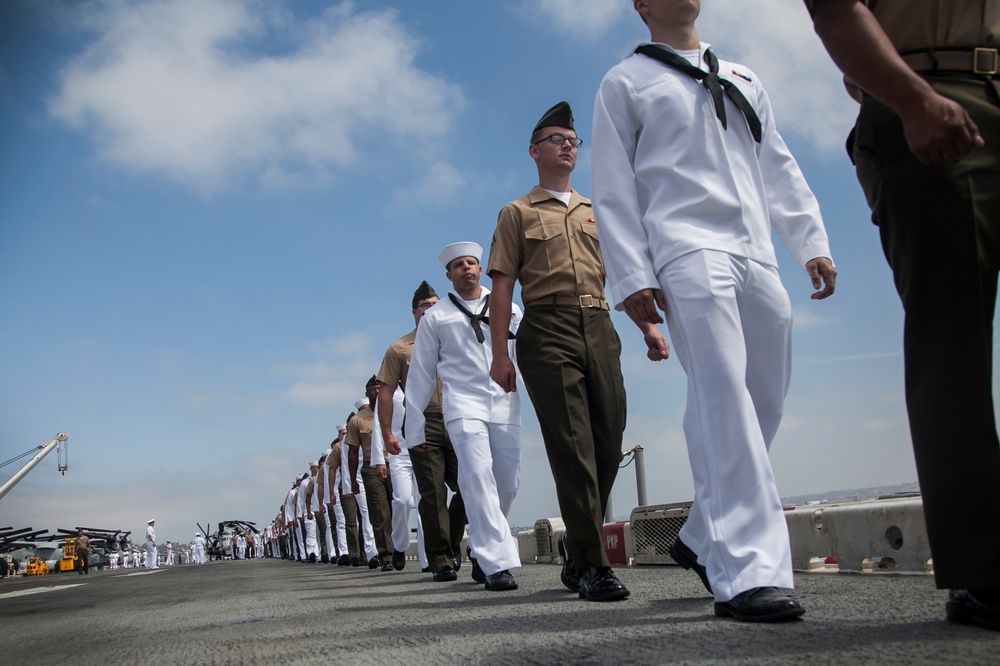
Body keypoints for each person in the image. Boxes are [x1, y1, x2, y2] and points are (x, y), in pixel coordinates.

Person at [590, 0, 837, 621]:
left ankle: (702, 535)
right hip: (685, 249)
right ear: (641, 6)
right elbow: (613, 185)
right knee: (722, 394)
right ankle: (748, 573)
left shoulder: (745, 77)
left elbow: (776, 163)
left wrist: (809, 241)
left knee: (763, 398)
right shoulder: (626, 81)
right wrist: (631, 276)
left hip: (756, 249)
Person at [806, 0, 999, 631]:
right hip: (928, 91)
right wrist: (913, 101)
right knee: (953, 342)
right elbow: (835, 10)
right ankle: (984, 570)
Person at [487, 101, 630, 602]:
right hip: (546, 328)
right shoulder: (517, 213)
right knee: (574, 447)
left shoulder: (596, 211)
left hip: (600, 321)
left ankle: (577, 540)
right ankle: (593, 565)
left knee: (609, 440)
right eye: (556, 139)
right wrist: (500, 353)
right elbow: (502, 286)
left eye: (573, 140)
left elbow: (622, 273)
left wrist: (650, 328)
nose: (568, 146)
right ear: (534, 151)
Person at [406, 241, 523, 592]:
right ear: (449, 274)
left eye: (472, 263)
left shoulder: (509, 308)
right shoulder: (436, 317)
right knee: (476, 477)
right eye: (459, 265)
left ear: (480, 268)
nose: (467, 268)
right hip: (462, 406)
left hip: (505, 403)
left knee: (508, 483)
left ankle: (480, 546)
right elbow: (422, 374)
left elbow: (526, 354)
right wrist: (414, 429)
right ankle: (495, 562)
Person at [376, 280, 467, 581]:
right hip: (423, 423)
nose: (431, 309)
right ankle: (440, 560)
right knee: (432, 493)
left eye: (435, 304)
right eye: (425, 306)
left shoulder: (455, 337)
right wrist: (388, 433)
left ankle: (452, 542)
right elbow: (386, 393)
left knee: (472, 484)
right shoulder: (399, 349)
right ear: (414, 311)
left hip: (458, 418)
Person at [371, 385, 428, 572]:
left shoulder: (422, 379)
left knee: (426, 503)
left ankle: (429, 558)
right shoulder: (388, 392)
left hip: (423, 448)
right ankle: (400, 545)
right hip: (399, 452)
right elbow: (379, 425)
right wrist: (379, 459)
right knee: (403, 500)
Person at [347, 377, 394, 571]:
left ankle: (398, 547)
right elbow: (351, 452)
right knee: (379, 512)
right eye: (373, 389)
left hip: (395, 463)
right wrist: (352, 480)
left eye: (379, 388)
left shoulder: (394, 409)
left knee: (400, 506)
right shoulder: (357, 420)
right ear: (366, 393)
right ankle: (387, 556)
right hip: (371, 467)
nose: (377, 391)